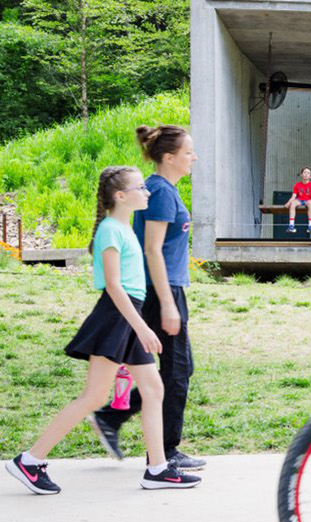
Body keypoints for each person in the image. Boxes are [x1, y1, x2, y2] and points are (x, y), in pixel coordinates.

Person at [8, 167, 200, 494]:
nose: (147, 192)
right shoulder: (111, 230)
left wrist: (139, 324)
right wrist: (142, 328)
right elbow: (113, 286)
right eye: (140, 188)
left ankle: (157, 469)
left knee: (153, 390)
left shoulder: (123, 228)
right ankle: (29, 460)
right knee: (94, 396)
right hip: (117, 318)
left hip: (128, 316)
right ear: (121, 196)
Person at [91, 125, 205, 472]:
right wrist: (168, 303)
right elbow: (152, 249)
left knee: (176, 368)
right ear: (169, 158)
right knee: (177, 369)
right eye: (188, 153)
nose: (193, 158)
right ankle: (165, 451)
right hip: (162, 288)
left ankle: (113, 417)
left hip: (163, 287)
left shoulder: (161, 189)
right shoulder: (160, 192)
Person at [286, 167, 311, 235]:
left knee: (310, 203)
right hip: (300, 200)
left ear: (310, 176)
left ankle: (310, 226)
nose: (306, 174)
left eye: (308, 173)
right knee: (293, 203)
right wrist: (288, 203)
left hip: (308, 200)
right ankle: (291, 225)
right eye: (304, 172)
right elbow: (293, 196)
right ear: (301, 174)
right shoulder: (297, 185)